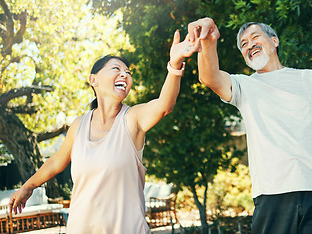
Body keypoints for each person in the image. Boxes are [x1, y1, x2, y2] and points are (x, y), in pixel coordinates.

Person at [187, 17, 312, 234]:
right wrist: (208, 39)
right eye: (243, 44)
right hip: (274, 195)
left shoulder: (311, 78)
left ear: (274, 41)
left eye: (255, 37)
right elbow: (208, 76)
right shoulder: (244, 86)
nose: (249, 45)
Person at [8, 29, 200, 234]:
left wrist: (175, 63)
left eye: (128, 73)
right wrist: (28, 186)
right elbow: (56, 161)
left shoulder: (132, 119)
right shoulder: (79, 125)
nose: (125, 74)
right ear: (94, 80)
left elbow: (164, 105)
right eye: (116, 68)